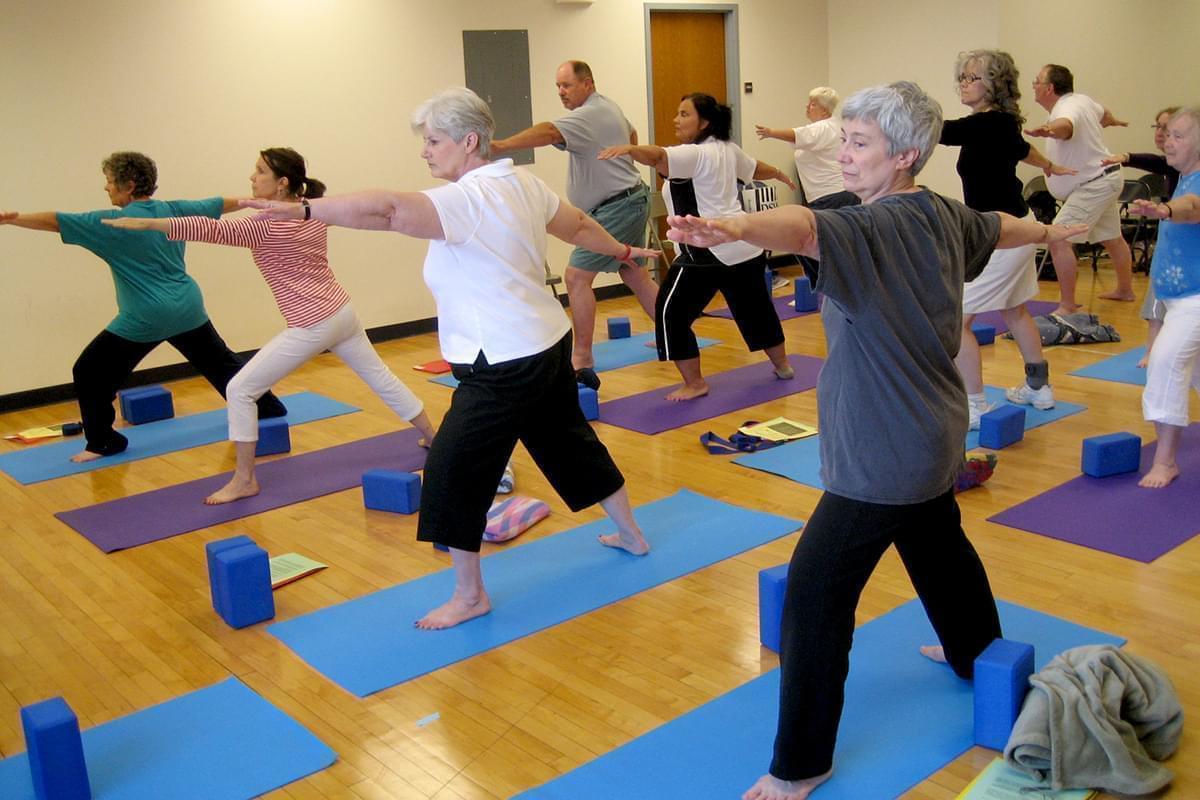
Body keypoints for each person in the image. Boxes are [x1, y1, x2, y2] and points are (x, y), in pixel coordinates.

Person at [667, 82, 1086, 800]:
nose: (846, 154)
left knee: (814, 597)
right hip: (933, 430)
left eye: (860, 144)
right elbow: (998, 224)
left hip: (884, 448)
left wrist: (733, 226)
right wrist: (1047, 232)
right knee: (937, 545)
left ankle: (802, 763)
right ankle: (975, 654)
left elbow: (800, 228)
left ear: (906, 156)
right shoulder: (941, 215)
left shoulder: (874, 227)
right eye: (846, 139)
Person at [246, 88, 656, 629]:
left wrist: (302, 208)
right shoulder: (523, 183)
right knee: (568, 442)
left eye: (434, 141)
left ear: (469, 141)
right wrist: (624, 251)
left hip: (501, 364)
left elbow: (388, 210)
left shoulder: (468, 200)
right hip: (546, 344)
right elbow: (577, 225)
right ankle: (631, 534)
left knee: (451, 471)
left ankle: (470, 596)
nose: (426, 152)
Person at [102, 148, 435, 504]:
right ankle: (434, 436)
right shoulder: (312, 209)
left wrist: (152, 223)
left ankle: (245, 479)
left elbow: (208, 230)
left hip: (313, 323)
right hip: (342, 312)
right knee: (379, 376)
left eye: (260, 171)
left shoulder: (266, 228)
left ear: (282, 184)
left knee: (241, 390)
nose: (252, 177)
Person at [0, 152, 286, 463]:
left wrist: (13, 219)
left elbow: (56, 220)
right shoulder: (174, 209)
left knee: (90, 372)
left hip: (146, 317)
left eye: (110, 182)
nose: (106, 189)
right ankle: (267, 406)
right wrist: (272, 201)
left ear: (129, 185)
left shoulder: (110, 223)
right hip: (188, 307)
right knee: (222, 364)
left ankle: (103, 441)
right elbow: (223, 203)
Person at [598, 93, 796, 401]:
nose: (676, 120)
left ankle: (695, 383)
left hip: (704, 249)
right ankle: (782, 365)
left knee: (670, 312)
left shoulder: (695, 154)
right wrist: (780, 174)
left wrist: (630, 149)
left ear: (704, 122)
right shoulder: (728, 149)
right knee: (755, 309)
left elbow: (657, 157)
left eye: (684, 114)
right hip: (743, 245)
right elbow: (756, 168)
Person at [490, 60, 657, 388]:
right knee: (633, 272)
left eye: (567, 85)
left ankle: (582, 356)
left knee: (577, 276)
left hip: (618, 206)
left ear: (587, 84)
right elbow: (631, 133)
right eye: (558, 87)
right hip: (625, 200)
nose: (561, 93)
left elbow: (549, 131)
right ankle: (673, 332)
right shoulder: (607, 107)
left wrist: (502, 146)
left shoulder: (590, 114)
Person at [939, 50, 1075, 426]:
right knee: (1014, 309)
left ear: (994, 84)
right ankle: (1038, 387)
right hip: (1016, 226)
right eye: (962, 78)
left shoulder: (986, 124)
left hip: (1001, 235)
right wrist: (1050, 165)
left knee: (958, 323)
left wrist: (888, 117)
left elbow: (939, 131)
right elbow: (1022, 150)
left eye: (972, 78)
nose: (964, 85)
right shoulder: (1001, 124)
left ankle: (974, 404)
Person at [1127, 107, 1200, 489]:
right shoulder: (1185, 178)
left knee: (1165, 366)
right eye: (1167, 133)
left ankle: (1166, 461)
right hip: (1177, 300)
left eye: (1179, 135)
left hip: (1195, 302)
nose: (1168, 140)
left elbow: (1192, 210)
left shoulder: (1194, 187)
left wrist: (1167, 210)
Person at [1026, 63, 1134, 314]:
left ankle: (1067, 304)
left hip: (1094, 184)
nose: (1034, 85)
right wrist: (1112, 121)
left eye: (1037, 81)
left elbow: (1066, 127)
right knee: (1112, 238)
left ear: (1049, 88)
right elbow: (1103, 113)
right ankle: (1125, 290)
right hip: (1104, 178)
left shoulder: (1065, 109)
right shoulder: (1082, 100)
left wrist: (1049, 130)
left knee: (1059, 239)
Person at [1105, 106, 1182, 367]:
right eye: (1157, 127)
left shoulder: (1187, 165)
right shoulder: (1172, 164)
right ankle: (1152, 351)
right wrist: (1125, 157)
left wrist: (1126, 157)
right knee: (1157, 294)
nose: (1160, 134)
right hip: (1172, 236)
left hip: (1186, 240)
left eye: (1167, 128)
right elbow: (1157, 161)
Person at [755, 87, 859, 210]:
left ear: (824, 111)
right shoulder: (834, 125)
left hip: (831, 196)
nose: (807, 106)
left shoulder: (823, 128)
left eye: (813, 104)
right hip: (839, 193)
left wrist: (771, 132)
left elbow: (796, 135)